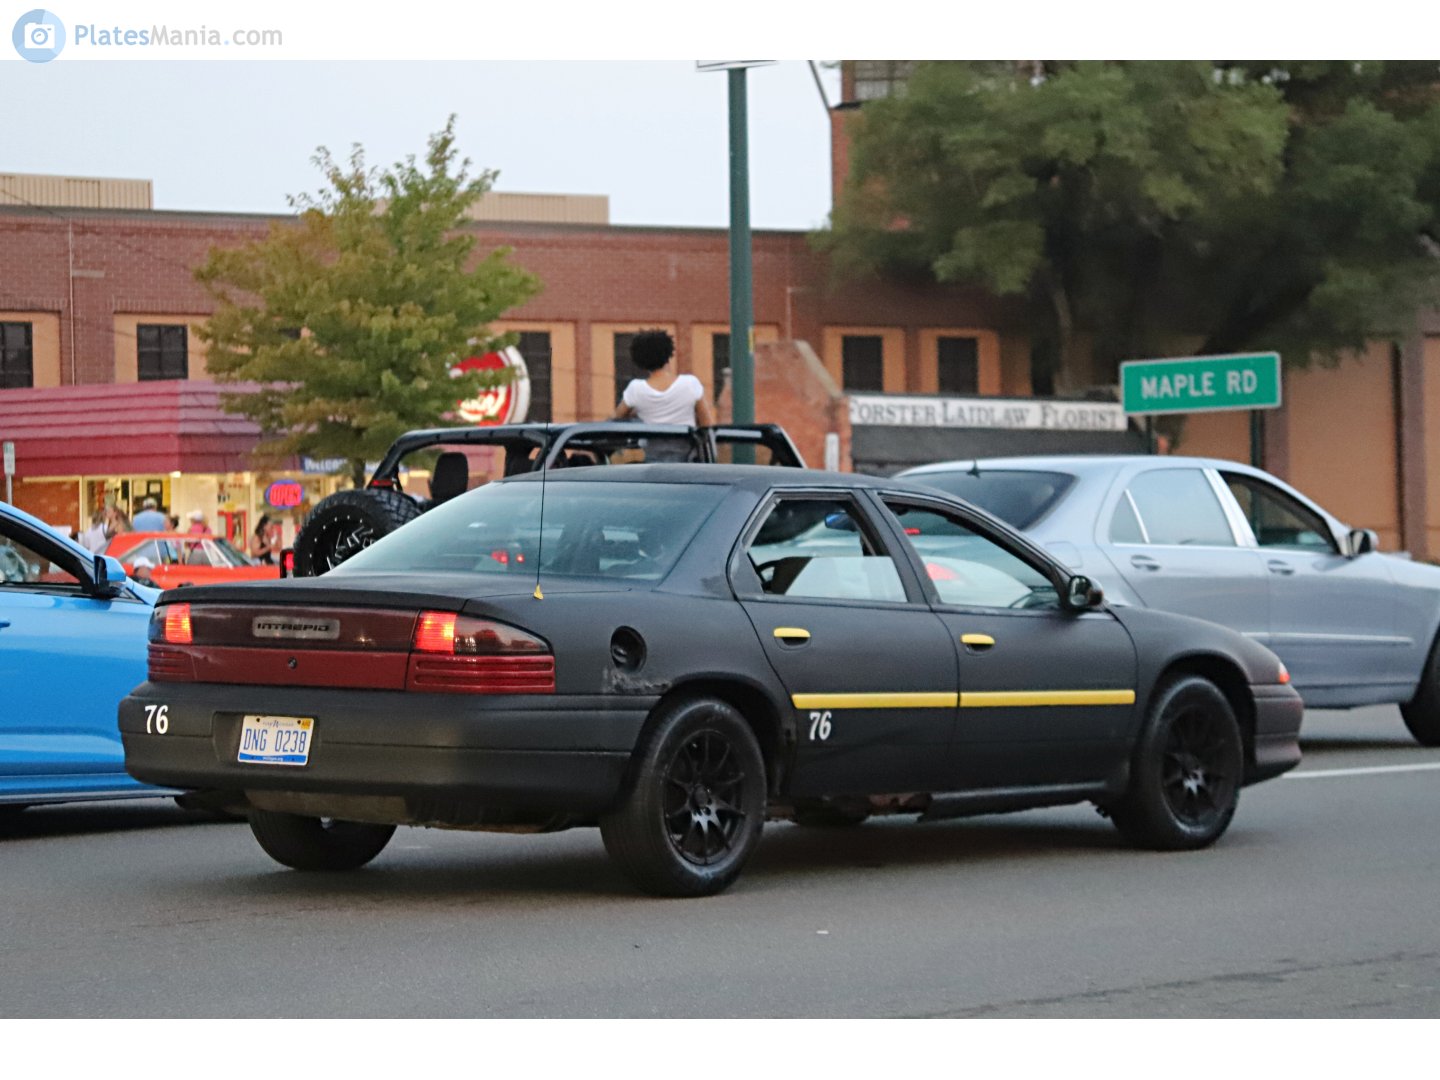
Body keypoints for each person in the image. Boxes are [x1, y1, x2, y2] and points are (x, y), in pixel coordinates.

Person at [612, 329, 715, 428]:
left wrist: (635, 414)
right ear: (669, 354)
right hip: (685, 446)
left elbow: (615, 421)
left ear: (639, 360)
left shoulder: (636, 389)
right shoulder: (690, 383)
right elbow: (707, 424)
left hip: (653, 446)